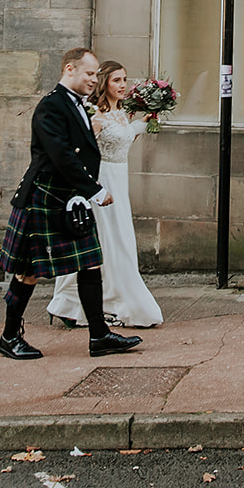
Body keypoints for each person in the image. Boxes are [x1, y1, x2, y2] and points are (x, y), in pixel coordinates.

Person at [0, 47, 143, 361]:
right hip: (46, 195)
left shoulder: (80, 105)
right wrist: (95, 189)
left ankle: (99, 336)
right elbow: (61, 154)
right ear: (69, 70)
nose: (94, 79)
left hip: (69, 199)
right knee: (28, 272)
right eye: (89, 73)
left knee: (91, 263)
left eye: (95, 74)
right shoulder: (52, 106)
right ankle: (10, 337)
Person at [47, 61, 163, 329]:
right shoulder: (95, 116)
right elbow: (82, 151)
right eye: (116, 81)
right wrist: (89, 187)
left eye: (124, 80)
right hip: (103, 181)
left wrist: (144, 122)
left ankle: (76, 303)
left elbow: (123, 138)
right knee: (109, 240)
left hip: (120, 181)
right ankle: (78, 302)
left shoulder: (120, 112)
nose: (122, 85)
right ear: (103, 84)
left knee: (119, 237)